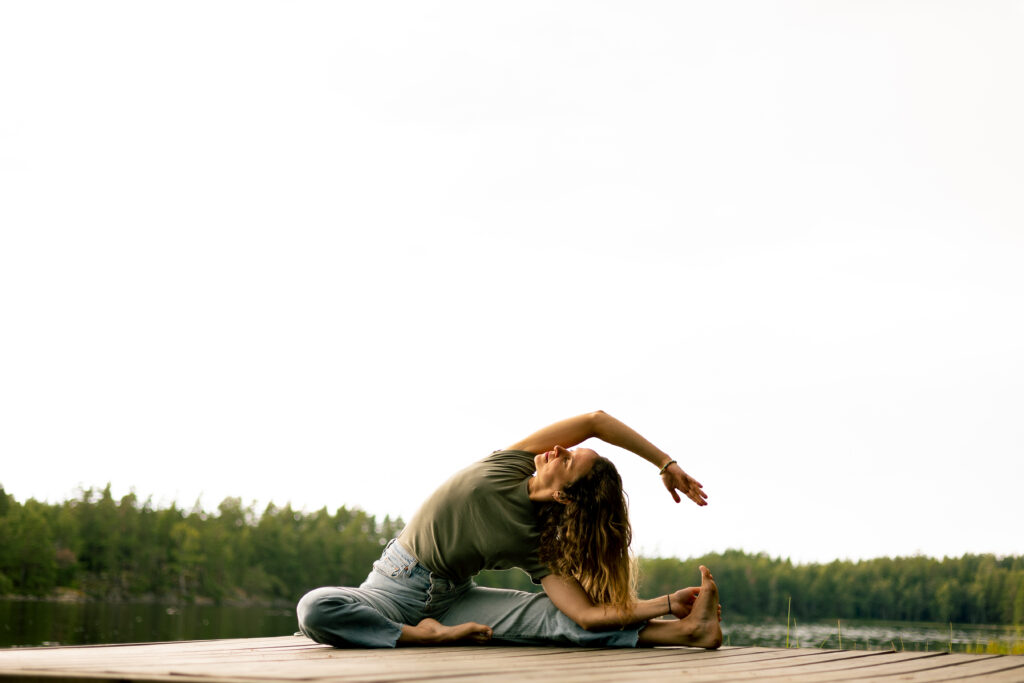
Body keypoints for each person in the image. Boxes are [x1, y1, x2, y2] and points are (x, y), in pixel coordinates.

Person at [296, 410, 723, 648]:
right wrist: (666, 463)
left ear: (565, 496)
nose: (557, 449)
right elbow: (596, 420)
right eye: (568, 450)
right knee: (316, 608)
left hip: (455, 603)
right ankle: (417, 637)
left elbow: (587, 616)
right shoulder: (513, 460)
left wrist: (666, 603)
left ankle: (689, 632)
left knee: (556, 620)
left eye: (568, 460)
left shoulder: (539, 545)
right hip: (389, 590)